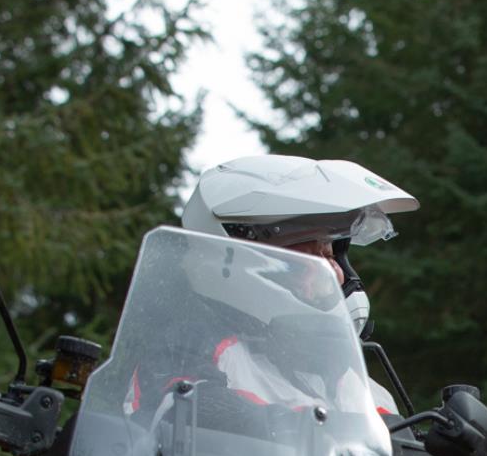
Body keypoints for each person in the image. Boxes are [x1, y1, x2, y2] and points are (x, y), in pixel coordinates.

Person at [180, 154, 420, 413]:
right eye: (309, 257)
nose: (337, 275)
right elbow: (161, 428)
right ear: (233, 262)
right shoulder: (194, 361)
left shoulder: (368, 394)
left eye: (330, 254)